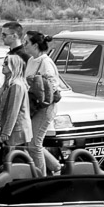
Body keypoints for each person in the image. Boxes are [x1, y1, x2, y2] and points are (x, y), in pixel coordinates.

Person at [25, 32, 64, 174]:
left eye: (26, 43)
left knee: (34, 145)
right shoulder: (31, 60)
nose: (24, 46)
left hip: (45, 107)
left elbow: (53, 87)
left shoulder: (45, 62)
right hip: (34, 106)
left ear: (35, 45)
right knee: (31, 143)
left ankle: (40, 179)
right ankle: (56, 168)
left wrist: (38, 93)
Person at [0, 49, 34, 167]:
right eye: (4, 63)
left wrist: (6, 132)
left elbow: (13, 111)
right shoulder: (9, 83)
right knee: (17, 159)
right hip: (13, 130)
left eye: (6, 63)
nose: (3, 66)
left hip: (17, 131)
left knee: (16, 161)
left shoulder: (17, 85)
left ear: (13, 66)